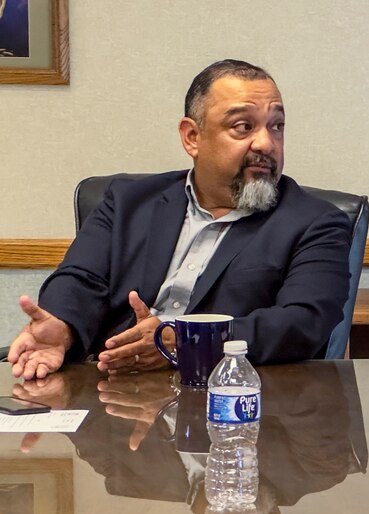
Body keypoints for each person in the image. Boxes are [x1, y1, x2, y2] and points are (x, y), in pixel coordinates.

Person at [6, 59, 350, 380]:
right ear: (192, 137)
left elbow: (304, 321)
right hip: (112, 395)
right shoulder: (127, 201)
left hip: (228, 406)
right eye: (243, 126)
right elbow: (81, 279)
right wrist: (63, 328)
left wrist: (184, 339)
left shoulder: (315, 222)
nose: (266, 142)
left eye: (276, 126)